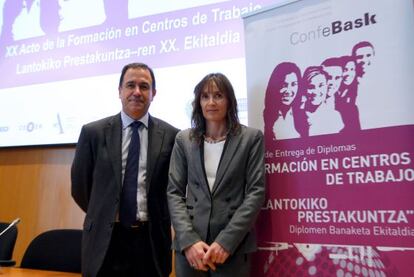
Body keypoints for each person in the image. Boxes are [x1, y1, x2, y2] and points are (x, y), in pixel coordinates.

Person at [71, 62, 179, 277]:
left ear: (153, 93)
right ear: (119, 91)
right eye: (130, 85)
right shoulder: (93, 133)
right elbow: (81, 188)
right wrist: (105, 213)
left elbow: (174, 191)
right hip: (105, 240)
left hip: (151, 242)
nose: (137, 92)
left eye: (144, 86)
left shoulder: (172, 136)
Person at [167, 73, 265, 277]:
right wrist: (188, 241)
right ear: (198, 102)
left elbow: (256, 193)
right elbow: (174, 193)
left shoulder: (251, 138)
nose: (211, 102)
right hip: (191, 248)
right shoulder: (184, 139)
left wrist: (226, 242)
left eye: (218, 95)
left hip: (232, 248)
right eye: (205, 96)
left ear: (229, 101)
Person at [263, 62, 305, 142]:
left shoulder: (304, 113)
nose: (288, 91)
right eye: (284, 85)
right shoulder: (267, 115)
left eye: (293, 84)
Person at [301, 66, 343, 136]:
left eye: (321, 86)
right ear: (304, 89)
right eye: (311, 87)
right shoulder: (296, 116)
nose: (316, 91)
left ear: (327, 86)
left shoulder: (335, 117)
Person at [335, 56, 361, 132]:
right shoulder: (332, 94)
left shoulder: (351, 96)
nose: (349, 74)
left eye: (352, 69)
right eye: (345, 70)